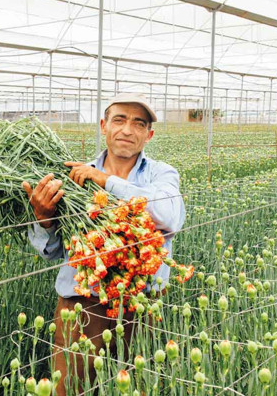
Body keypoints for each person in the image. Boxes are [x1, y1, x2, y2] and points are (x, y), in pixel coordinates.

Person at [22, 93, 186, 396]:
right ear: (103, 125)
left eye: (139, 123)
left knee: (138, 387)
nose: (127, 130)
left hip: (142, 302)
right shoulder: (73, 176)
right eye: (119, 120)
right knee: (70, 388)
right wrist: (44, 220)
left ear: (148, 135)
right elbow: (53, 251)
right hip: (83, 304)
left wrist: (106, 181)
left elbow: (169, 216)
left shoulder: (161, 173)